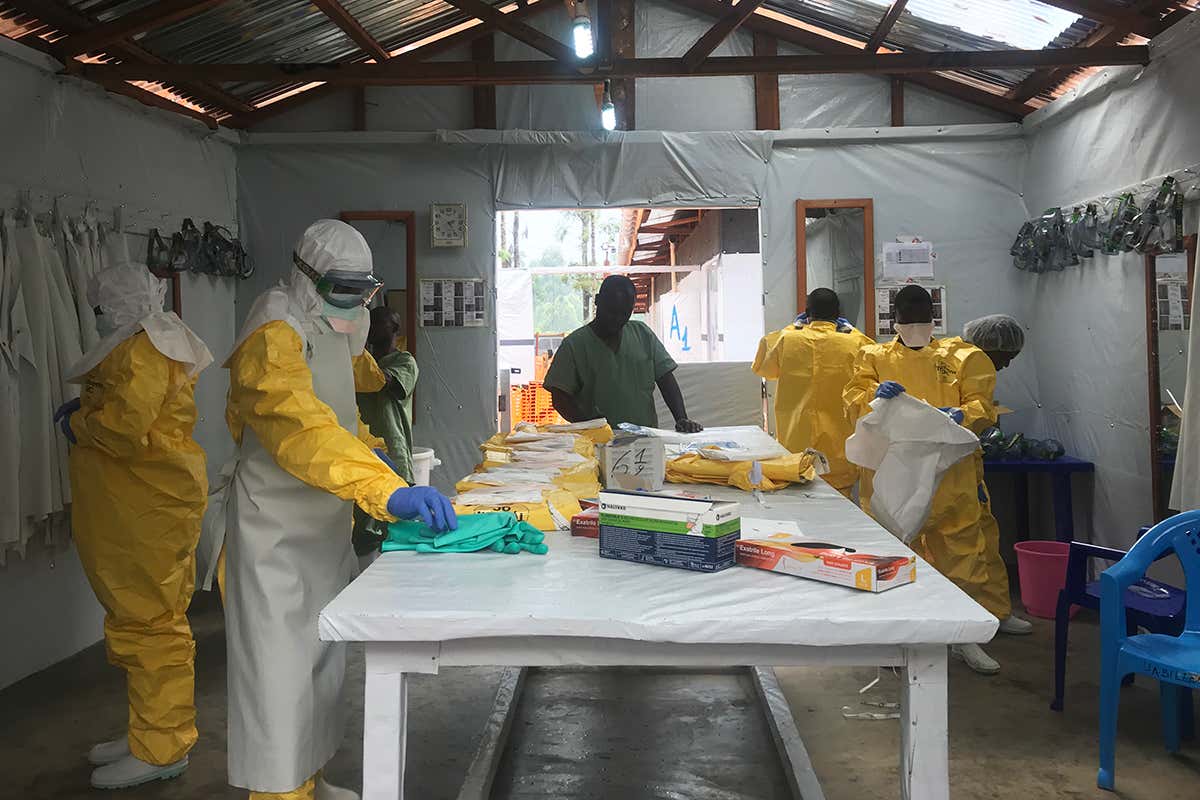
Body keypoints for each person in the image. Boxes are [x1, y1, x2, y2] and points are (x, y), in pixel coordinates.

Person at [221, 219, 456, 800]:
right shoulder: (272, 334)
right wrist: (384, 488)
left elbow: (349, 390)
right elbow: (302, 429)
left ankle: (310, 779)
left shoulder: (332, 320)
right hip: (274, 534)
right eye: (341, 290)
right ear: (306, 277)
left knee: (320, 670)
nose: (353, 305)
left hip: (324, 524)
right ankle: (279, 792)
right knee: (277, 682)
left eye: (363, 291)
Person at [54, 263, 214, 789]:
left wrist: (80, 420)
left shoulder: (144, 350)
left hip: (149, 508)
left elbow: (123, 429)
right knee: (136, 621)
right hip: (138, 507)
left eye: (100, 310)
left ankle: (163, 746)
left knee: (151, 625)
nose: (96, 319)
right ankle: (147, 730)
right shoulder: (147, 345)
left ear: (114, 309)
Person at [844, 285, 1006, 675]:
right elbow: (853, 397)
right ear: (893, 321)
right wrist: (873, 396)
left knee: (963, 552)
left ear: (933, 319)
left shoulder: (964, 356)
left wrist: (965, 415)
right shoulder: (873, 356)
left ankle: (965, 636)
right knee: (891, 554)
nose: (914, 328)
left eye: (921, 320)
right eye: (907, 321)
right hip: (893, 472)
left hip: (952, 472)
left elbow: (983, 403)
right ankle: (894, 636)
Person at [946, 315, 1034, 646]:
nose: (1007, 365)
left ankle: (996, 612)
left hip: (969, 466)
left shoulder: (977, 366)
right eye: (1006, 357)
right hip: (947, 470)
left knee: (986, 538)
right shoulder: (953, 359)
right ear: (989, 347)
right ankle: (961, 627)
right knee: (961, 550)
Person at [753, 288, 872, 498]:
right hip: (839, 449)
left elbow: (763, 366)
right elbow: (874, 361)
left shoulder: (787, 339)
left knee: (798, 508)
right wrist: (852, 331)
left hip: (795, 446)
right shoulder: (855, 343)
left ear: (807, 313)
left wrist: (793, 326)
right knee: (842, 510)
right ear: (838, 314)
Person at [545, 275, 702, 432]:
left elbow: (666, 380)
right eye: (611, 311)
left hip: (644, 439)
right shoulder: (574, 345)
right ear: (598, 301)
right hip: (597, 442)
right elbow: (559, 397)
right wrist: (587, 424)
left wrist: (681, 418)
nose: (617, 319)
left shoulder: (642, 334)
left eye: (624, 313)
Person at [353, 306, 420, 555]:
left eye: (376, 324)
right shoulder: (360, 363)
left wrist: (352, 358)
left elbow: (383, 382)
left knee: (396, 527)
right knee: (364, 529)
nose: (370, 329)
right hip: (362, 451)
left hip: (394, 453)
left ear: (393, 329)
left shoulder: (404, 361)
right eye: (367, 325)